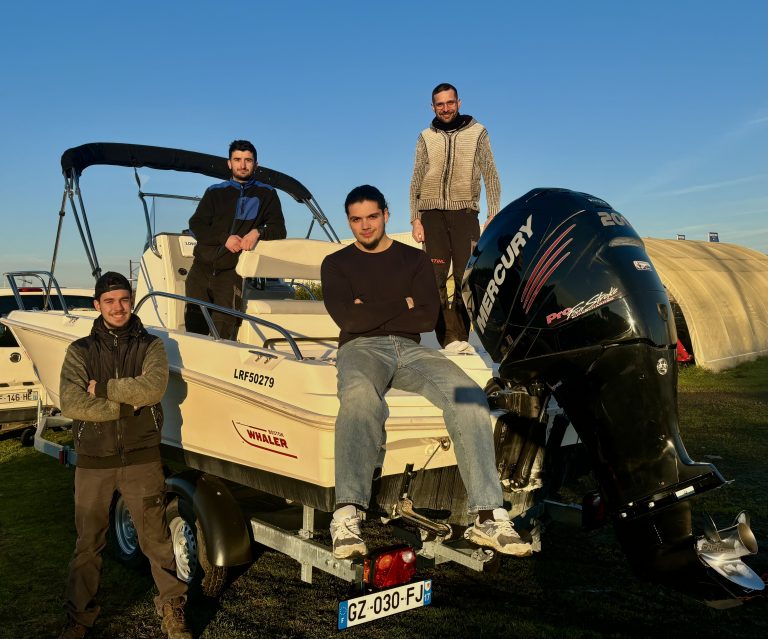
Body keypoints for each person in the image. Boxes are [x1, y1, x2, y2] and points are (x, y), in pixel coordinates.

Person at [321, 185, 531, 561]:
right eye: (356, 219)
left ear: (386, 215)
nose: (365, 226)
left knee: (469, 394)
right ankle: (346, 513)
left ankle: (487, 516)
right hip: (360, 347)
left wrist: (370, 308)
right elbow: (349, 320)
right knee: (359, 397)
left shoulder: (414, 259)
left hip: (411, 349)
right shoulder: (336, 263)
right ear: (349, 221)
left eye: (372, 217)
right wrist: (402, 303)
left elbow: (425, 317)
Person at [57, 272, 191, 639]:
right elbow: (71, 402)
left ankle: (172, 608)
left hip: (141, 457)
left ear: (131, 302)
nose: (118, 307)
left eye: (124, 300)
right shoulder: (80, 351)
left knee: (156, 539)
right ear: (97, 305)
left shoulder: (151, 346)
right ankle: (79, 617)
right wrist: (123, 407)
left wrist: (102, 388)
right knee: (88, 544)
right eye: (109, 301)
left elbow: (152, 388)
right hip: (93, 461)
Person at [409, 83, 501, 351]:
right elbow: (416, 177)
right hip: (431, 215)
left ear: (459, 103)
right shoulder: (425, 136)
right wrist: (415, 218)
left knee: (465, 278)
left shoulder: (478, 132)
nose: (445, 108)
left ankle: (461, 338)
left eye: (450, 103)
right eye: (440, 104)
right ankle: (447, 340)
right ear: (432, 107)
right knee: (435, 279)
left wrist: (493, 212)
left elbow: (490, 172)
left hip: (465, 213)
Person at [185, 139, 287, 338]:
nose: (242, 165)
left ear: (256, 164)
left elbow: (279, 230)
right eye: (237, 159)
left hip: (232, 272)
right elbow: (196, 224)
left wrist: (258, 232)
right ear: (229, 163)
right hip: (200, 269)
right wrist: (225, 238)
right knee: (194, 326)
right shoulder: (214, 191)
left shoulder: (267, 194)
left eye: (248, 160)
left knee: (224, 329)